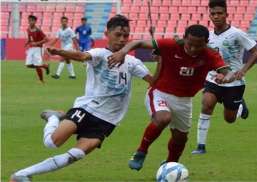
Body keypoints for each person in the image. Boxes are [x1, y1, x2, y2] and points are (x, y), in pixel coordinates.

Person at [9, 15, 155, 182]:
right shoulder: (99, 54)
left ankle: (21, 175)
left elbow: (154, 82)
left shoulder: (132, 62)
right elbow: (82, 56)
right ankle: (53, 117)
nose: (122, 40)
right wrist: (59, 51)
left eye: (126, 36)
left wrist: (161, 60)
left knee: (75, 155)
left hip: (108, 121)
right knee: (52, 143)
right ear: (107, 33)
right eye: (118, 35)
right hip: (87, 109)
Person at [108, 24, 235, 171]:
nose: (193, 49)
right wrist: (123, 52)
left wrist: (225, 78)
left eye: (198, 46)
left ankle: (170, 165)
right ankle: (141, 151)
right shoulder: (170, 45)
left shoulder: (210, 54)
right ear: (184, 39)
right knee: (163, 118)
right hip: (160, 92)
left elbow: (229, 72)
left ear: (206, 42)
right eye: (190, 44)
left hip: (185, 100)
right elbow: (138, 42)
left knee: (180, 138)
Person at [191, 0, 257, 154]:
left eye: (219, 13)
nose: (216, 16)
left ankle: (240, 106)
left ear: (226, 14)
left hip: (234, 82)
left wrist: (242, 71)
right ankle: (200, 146)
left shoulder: (237, 34)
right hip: (213, 79)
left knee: (229, 119)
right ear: (209, 15)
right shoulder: (207, 36)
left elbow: (256, 52)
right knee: (206, 104)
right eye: (213, 14)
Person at [25, 15, 49, 83]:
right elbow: (30, 38)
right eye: (29, 20)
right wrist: (28, 42)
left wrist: (37, 43)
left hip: (39, 48)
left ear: (35, 21)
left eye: (32, 20)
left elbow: (47, 39)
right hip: (31, 48)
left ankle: (41, 80)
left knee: (37, 65)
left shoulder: (38, 30)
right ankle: (45, 66)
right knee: (28, 65)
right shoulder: (28, 29)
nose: (30, 22)